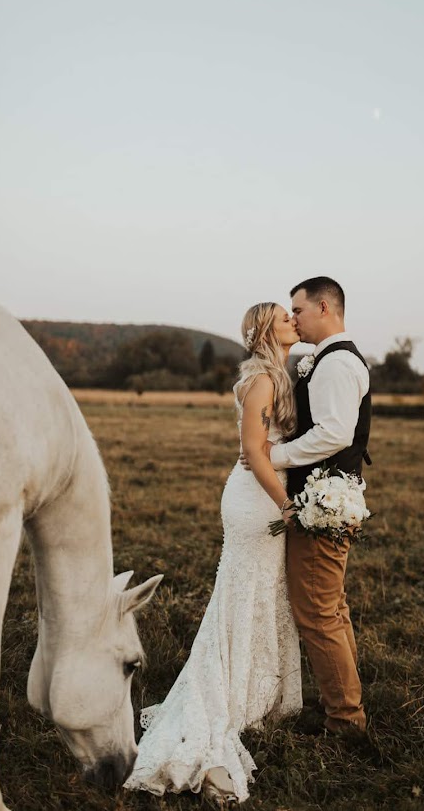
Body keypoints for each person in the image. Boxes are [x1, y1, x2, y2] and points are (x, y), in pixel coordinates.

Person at [123, 303, 302, 807]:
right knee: (247, 591)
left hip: (262, 495)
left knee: (261, 592)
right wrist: (287, 505)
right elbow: (255, 452)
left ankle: (258, 691)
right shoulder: (263, 382)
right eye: (285, 317)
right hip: (257, 501)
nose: (294, 320)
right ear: (269, 331)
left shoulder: (277, 376)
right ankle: (232, 700)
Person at [245, 276, 371, 736]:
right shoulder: (328, 360)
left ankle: (345, 720)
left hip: (323, 503)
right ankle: (345, 704)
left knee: (317, 611)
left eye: (297, 310)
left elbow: (335, 433)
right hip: (327, 497)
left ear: (323, 307)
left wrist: (273, 455)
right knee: (331, 607)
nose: (293, 318)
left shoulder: (336, 364)